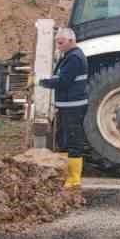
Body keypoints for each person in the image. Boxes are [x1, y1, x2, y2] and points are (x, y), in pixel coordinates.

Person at [39, 28, 88, 189]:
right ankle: (65, 174)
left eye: (61, 43)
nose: (58, 46)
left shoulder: (74, 58)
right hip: (67, 106)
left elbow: (63, 81)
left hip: (73, 107)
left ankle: (74, 179)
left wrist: (41, 82)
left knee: (73, 141)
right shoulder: (68, 56)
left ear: (71, 41)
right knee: (64, 140)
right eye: (57, 43)